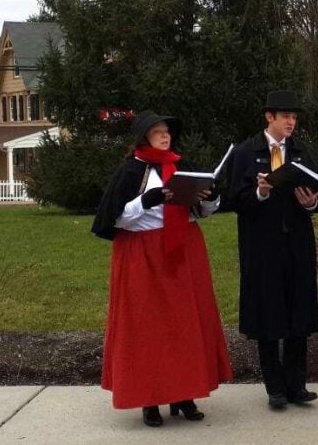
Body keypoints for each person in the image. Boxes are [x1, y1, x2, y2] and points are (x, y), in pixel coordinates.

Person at [91, 110, 232, 427]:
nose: (165, 136)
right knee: (148, 327)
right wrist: (148, 200)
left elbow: (204, 211)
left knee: (185, 325)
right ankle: (150, 400)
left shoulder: (182, 165)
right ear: (144, 137)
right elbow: (113, 218)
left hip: (184, 251)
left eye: (167, 131)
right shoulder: (131, 171)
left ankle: (184, 395)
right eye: (157, 132)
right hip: (143, 254)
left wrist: (211, 196)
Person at [224, 90, 318, 410]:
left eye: (294, 118)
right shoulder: (245, 153)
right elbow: (235, 200)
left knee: (298, 313)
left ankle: (297, 385)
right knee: (268, 316)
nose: (291, 123)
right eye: (285, 117)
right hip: (262, 246)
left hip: (297, 243)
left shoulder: (302, 152)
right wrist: (260, 192)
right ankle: (275, 388)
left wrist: (313, 203)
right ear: (269, 117)